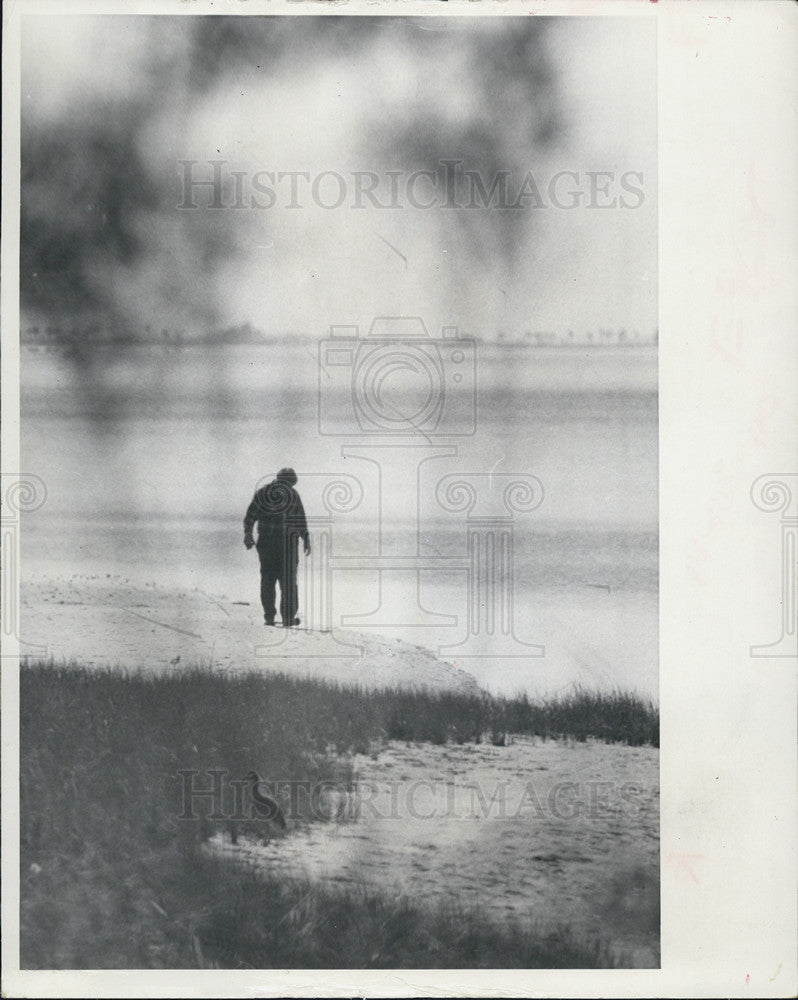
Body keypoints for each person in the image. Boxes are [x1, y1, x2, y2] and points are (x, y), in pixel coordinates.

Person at [244, 467, 311, 627]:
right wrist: (306, 539)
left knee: (268, 580)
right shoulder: (293, 494)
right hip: (287, 545)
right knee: (288, 582)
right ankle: (288, 617)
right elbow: (300, 520)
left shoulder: (262, 492)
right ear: (291, 481)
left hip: (266, 544)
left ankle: (269, 617)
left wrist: (248, 535)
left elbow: (250, 516)